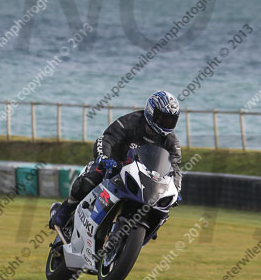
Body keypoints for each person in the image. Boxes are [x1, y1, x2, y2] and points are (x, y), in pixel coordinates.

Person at [49, 91, 182, 230]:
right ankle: (64, 210)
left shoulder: (171, 142)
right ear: (151, 110)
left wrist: (176, 189)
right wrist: (104, 157)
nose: (166, 123)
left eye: (171, 119)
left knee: (159, 209)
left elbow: (175, 167)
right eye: (163, 117)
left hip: (144, 178)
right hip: (114, 166)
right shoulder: (131, 121)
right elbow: (106, 139)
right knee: (89, 181)